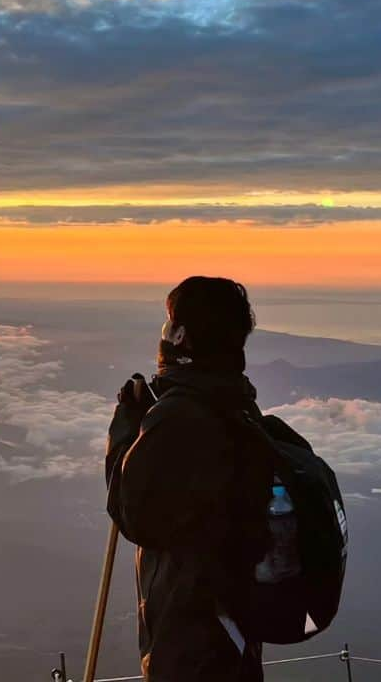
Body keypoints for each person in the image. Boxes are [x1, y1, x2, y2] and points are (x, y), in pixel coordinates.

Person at [105, 276, 274, 682]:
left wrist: (128, 424)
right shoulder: (238, 403)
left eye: (169, 323)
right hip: (234, 625)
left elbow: (131, 512)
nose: (164, 332)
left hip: (191, 632)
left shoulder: (182, 414)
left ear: (180, 334)